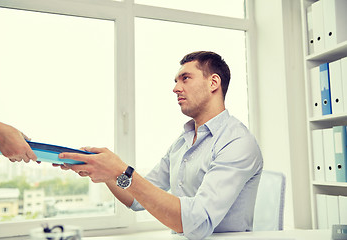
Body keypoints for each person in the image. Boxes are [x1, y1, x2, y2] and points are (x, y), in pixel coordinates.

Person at [57, 51, 263, 239]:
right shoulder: (182, 142)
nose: (175, 88)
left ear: (213, 83)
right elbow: (135, 197)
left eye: (185, 78)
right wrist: (106, 173)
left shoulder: (237, 142)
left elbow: (196, 222)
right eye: (176, 81)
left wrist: (121, 170)